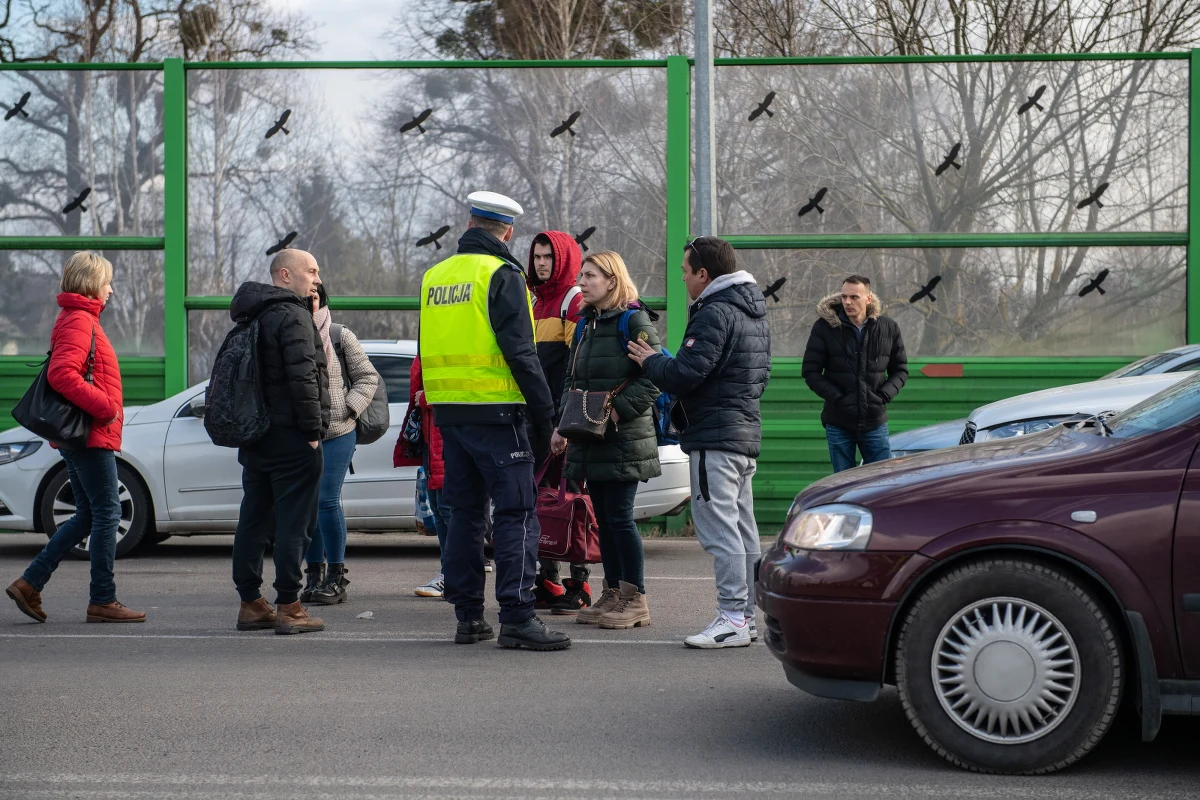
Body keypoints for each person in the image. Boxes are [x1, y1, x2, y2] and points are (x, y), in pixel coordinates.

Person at [419, 190, 569, 650]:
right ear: (507, 231)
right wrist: (547, 418)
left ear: (469, 223)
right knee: (517, 514)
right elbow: (521, 354)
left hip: (450, 416)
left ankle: (468, 617)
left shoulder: (434, 277)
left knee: (463, 515)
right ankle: (518, 616)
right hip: (499, 416)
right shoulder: (502, 275)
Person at [627, 236, 771, 649]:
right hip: (741, 435)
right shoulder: (752, 311)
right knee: (742, 529)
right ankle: (745, 616)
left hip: (715, 438)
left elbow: (686, 374)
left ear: (704, 274)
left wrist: (650, 361)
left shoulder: (715, 312)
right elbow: (760, 376)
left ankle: (731, 617)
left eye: (687, 273)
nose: (685, 280)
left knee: (720, 530)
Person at [5, 252, 145, 624]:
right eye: (107, 282)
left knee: (87, 513)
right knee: (108, 512)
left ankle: (29, 583)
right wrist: (106, 409)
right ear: (90, 284)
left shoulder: (78, 319)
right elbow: (61, 374)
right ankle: (102, 599)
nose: (111, 290)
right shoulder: (80, 321)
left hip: (83, 434)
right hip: (89, 433)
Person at [550, 251, 660, 629]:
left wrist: (618, 411)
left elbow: (655, 375)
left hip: (623, 438)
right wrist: (562, 426)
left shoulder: (633, 320)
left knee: (619, 518)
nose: (581, 281)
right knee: (604, 521)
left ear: (612, 280)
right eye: (581, 275)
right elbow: (571, 380)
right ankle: (612, 594)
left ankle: (636, 599)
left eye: (590, 275)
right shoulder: (585, 325)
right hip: (589, 436)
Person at [228, 249, 330, 635]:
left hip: (256, 436)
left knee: (253, 518)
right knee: (295, 522)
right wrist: (312, 433)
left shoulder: (252, 313)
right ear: (285, 275)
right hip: (292, 437)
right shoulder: (293, 315)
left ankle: (251, 603)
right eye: (312, 270)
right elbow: (305, 378)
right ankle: (290, 604)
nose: (317, 279)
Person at [527, 230, 592, 614]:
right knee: (543, 502)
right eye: (536, 256)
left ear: (564, 257)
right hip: (537, 421)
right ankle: (548, 580)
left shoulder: (573, 301)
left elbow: (576, 370)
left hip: (561, 422)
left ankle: (579, 585)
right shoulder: (534, 302)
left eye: (548, 256)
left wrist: (564, 425)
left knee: (574, 502)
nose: (540, 263)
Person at [301, 285, 379, 605]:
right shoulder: (286, 333)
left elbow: (367, 376)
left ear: (323, 298)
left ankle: (336, 577)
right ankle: (313, 576)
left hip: (338, 431)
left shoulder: (338, 334)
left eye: (313, 296)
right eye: (302, 296)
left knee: (325, 500)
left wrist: (348, 408)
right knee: (308, 505)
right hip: (303, 436)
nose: (308, 302)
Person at [801, 275, 908, 472]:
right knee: (842, 485)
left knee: (881, 481)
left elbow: (900, 369)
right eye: (844, 297)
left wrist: (883, 396)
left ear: (868, 298)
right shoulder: (825, 328)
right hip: (838, 421)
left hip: (875, 422)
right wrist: (838, 398)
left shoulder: (887, 328)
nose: (847, 302)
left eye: (854, 297)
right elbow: (810, 371)